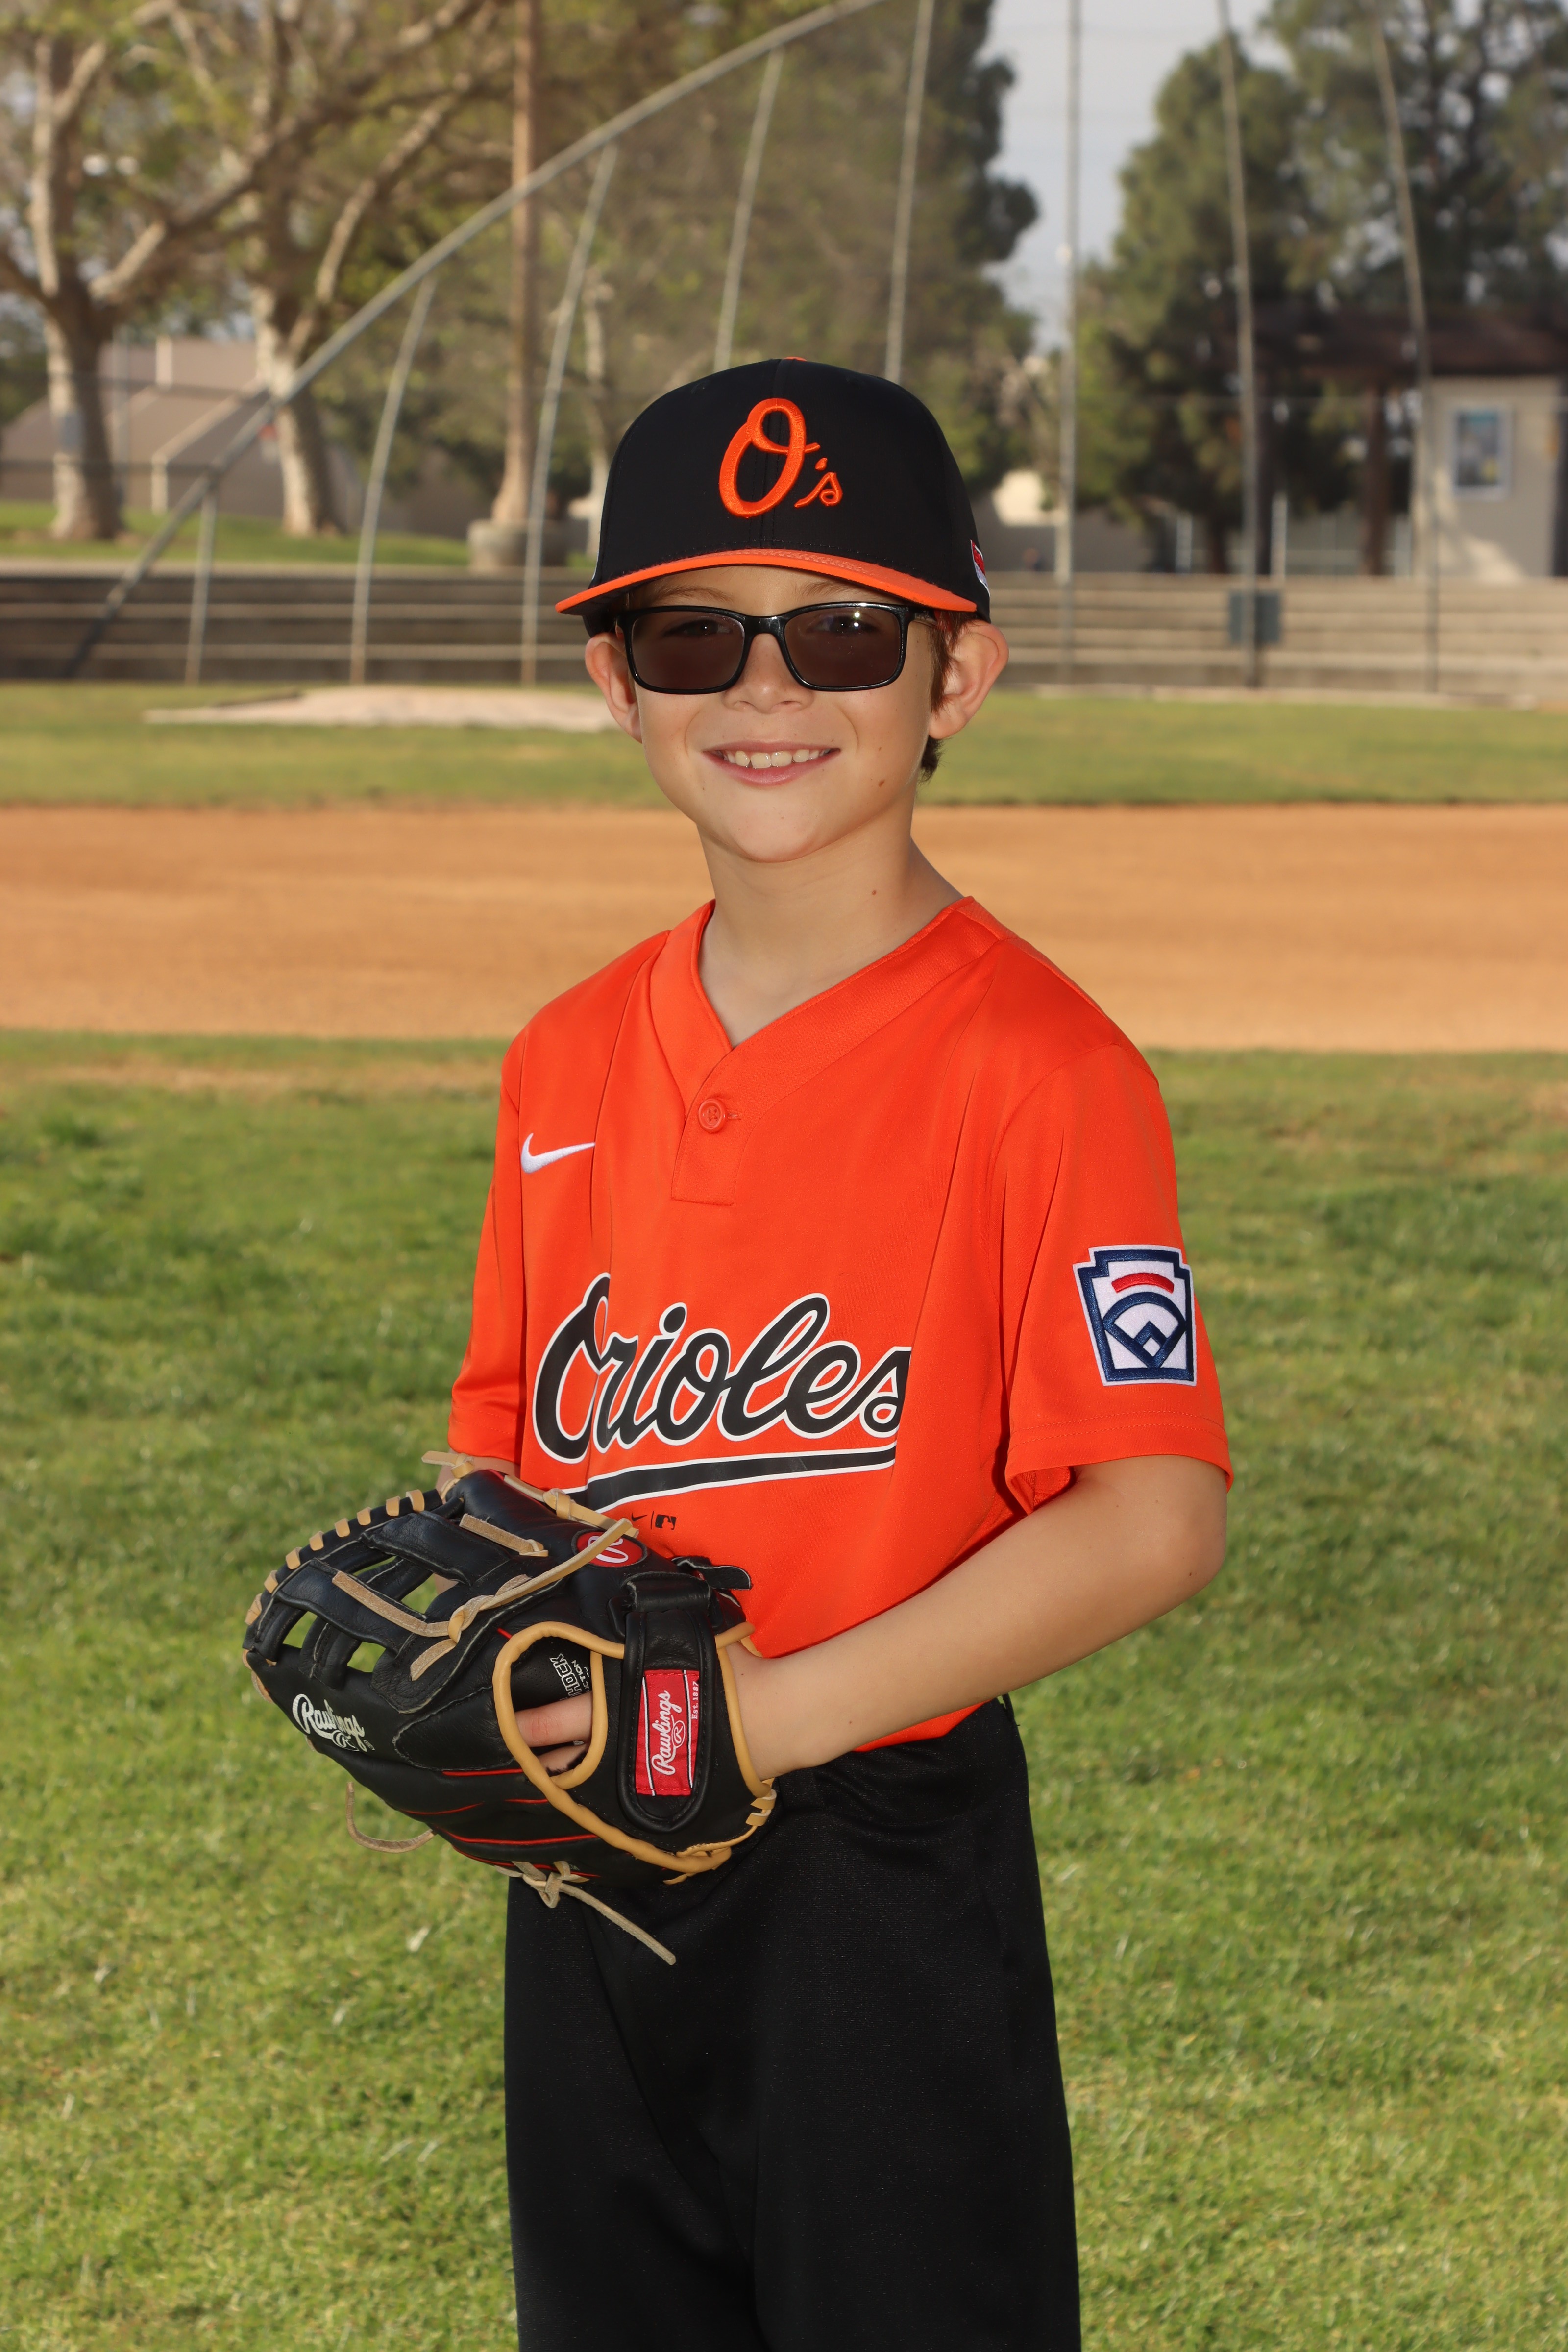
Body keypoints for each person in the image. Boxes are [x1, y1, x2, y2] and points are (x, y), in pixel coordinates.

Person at [442, 358, 1229, 2352]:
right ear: (617, 682)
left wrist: (768, 1717)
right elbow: (511, 1446)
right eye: (695, 637)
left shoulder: (1043, 1071)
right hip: (595, 1857)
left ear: (956, 677)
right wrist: (481, 1648)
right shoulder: (562, 1061)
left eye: (844, 634)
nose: (767, 689)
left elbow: (1150, 1513)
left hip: (873, 1862)